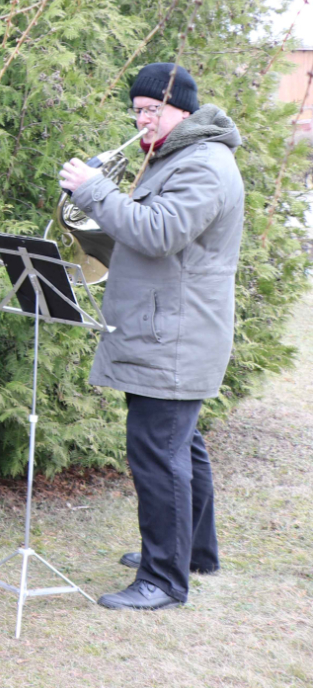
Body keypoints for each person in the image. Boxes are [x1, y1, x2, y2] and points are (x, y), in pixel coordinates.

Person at [59, 61, 243, 611]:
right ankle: (194, 553)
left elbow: (160, 233)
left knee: (157, 455)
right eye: (137, 111)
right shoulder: (174, 158)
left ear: (182, 110)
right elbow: (140, 242)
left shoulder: (204, 165)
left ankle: (162, 581)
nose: (141, 121)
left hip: (175, 335)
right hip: (167, 328)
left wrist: (94, 191)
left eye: (151, 110)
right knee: (181, 447)